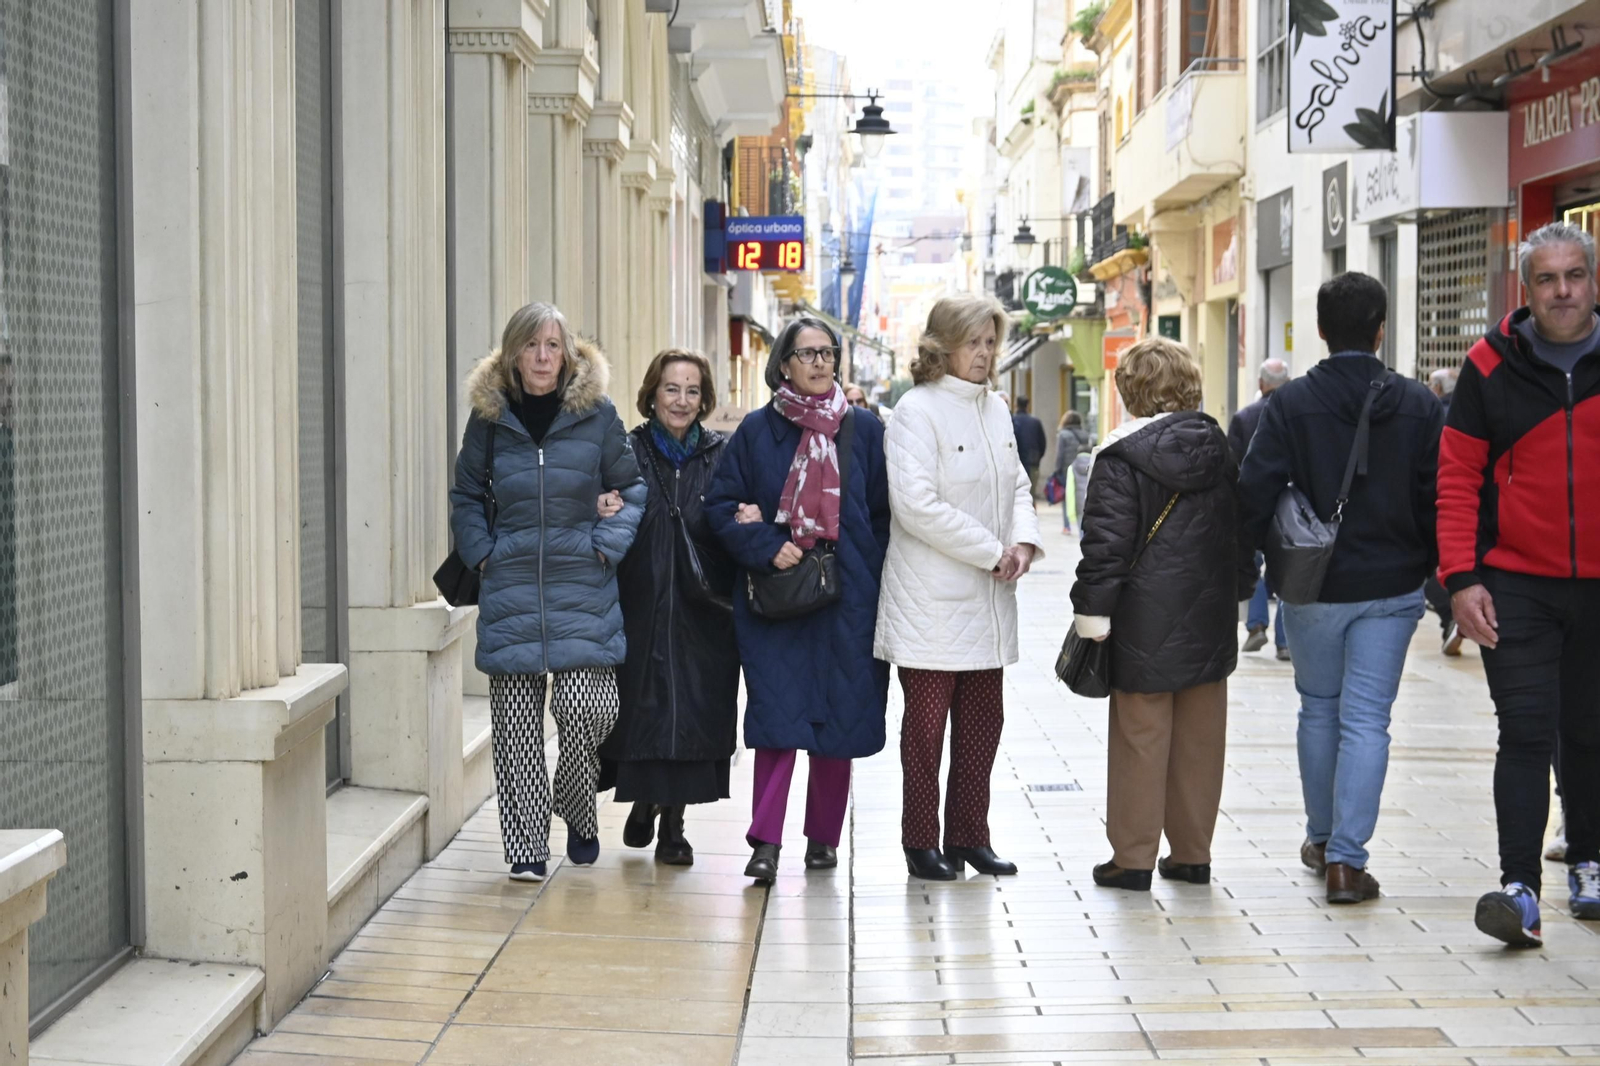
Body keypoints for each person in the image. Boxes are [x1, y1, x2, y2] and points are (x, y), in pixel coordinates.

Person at [1239, 272, 1441, 906]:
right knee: (1367, 721)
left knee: (1318, 709)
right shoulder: (1418, 404)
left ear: (1321, 332)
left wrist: (1247, 569)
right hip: (1392, 585)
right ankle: (1348, 866)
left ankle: (1322, 840)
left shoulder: (1289, 404)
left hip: (1311, 586)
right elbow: (1438, 497)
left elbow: (1254, 491)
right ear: (1382, 329)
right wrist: (1439, 573)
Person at [1437, 220, 1600, 948]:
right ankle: (1519, 889)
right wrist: (1460, 579)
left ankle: (1589, 864)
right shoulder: (1488, 365)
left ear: (1593, 281)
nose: (1563, 290)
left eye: (1575, 275)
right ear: (1525, 289)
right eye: (1547, 278)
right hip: (1515, 584)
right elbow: (1456, 476)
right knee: (1526, 733)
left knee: (1591, 733)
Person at [451, 302, 646, 882]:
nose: (542, 357)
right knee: (515, 732)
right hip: (510, 586)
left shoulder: (597, 414)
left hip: (582, 584)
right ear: (512, 353)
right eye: (531, 345)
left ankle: (578, 805)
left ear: (567, 353)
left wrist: (605, 544)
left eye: (553, 345)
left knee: (590, 711)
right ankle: (527, 847)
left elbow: (630, 489)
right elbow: (465, 494)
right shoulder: (489, 419)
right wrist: (481, 552)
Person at [706, 316, 892, 883]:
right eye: (805, 353)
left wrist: (869, 570)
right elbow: (721, 505)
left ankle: (823, 839)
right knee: (777, 720)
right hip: (777, 598)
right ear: (782, 363)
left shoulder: (863, 429)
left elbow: (885, 514)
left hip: (850, 596)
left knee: (840, 720)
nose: (818, 363)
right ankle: (764, 841)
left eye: (827, 353)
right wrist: (766, 545)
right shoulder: (757, 432)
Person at [1071, 336, 1253, 891]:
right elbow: (1238, 534)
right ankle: (1192, 854)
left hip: (1144, 621)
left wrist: (1092, 613)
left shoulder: (1120, 458)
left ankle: (1132, 858)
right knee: (1201, 739)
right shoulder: (1220, 449)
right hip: (1210, 617)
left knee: (1141, 736)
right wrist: (1239, 593)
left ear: (1131, 391)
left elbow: (1105, 545)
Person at [874, 293, 1044, 881]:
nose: (985, 353)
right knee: (925, 731)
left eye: (990, 342)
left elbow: (1019, 484)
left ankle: (971, 835)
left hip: (990, 598)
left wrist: (1022, 543)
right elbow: (915, 506)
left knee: (982, 725)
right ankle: (921, 840)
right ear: (941, 348)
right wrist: (992, 550)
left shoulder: (996, 409)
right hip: (931, 600)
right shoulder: (914, 412)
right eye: (973, 342)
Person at [600, 348, 739, 866]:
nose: (681, 400)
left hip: (706, 608)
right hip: (640, 600)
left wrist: (749, 514)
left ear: (704, 400)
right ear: (652, 394)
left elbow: (736, 513)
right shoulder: (626, 451)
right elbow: (596, 503)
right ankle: (644, 801)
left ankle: (674, 827)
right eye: (671, 389)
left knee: (696, 712)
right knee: (645, 709)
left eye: (692, 390)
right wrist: (602, 503)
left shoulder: (721, 454)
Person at [1230, 359, 1291, 660]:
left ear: (1260, 384)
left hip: (1252, 505)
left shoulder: (1244, 417)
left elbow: (1231, 466)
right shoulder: (1298, 415)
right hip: (1289, 509)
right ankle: (1284, 640)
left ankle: (1255, 626)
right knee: (1288, 573)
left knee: (1251, 564)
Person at [1424, 367, 1463, 655]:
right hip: (1469, 502)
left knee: (1429, 568)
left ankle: (1451, 615)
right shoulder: (1469, 412)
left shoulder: (1431, 414)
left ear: (1437, 388)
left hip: (1437, 500)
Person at [1054, 410, 1094, 534]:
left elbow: (1060, 454)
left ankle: (1067, 526)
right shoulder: (1085, 434)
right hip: (1083, 467)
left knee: (1067, 497)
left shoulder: (1063, 435)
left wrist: (1057, 469)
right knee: (1082, 494)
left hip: (1068, 469)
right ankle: (1082, 522)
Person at [1011, 396, 1048, 497]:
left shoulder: (1011, 420)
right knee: (1029, 495)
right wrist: (1037, 458)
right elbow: (1042, 444)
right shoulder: (1035, 422)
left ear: (1016, 405)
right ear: (1028, 406)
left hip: (1013, 463)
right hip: (1032, 463)